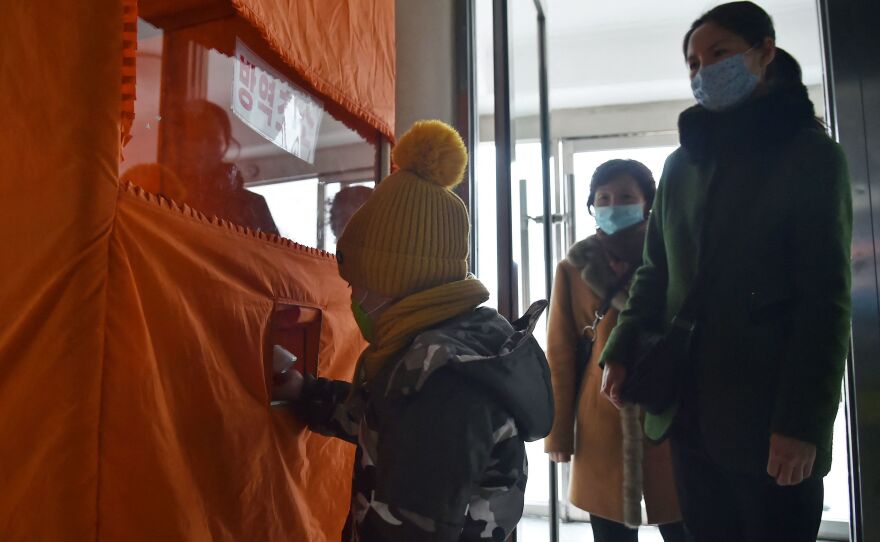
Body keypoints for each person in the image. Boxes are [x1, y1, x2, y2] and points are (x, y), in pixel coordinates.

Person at [599, 3, 852, 541]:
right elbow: (655, 272)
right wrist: (620, 349)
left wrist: (801, 426)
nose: (702, 71)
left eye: (718, 54)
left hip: (770, 419)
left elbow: (824, 304)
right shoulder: (681, 166)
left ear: (764, 53)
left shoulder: (811, 156)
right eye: (692, 63)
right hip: (689, 414)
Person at [272, 120, 554, 541]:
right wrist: (307, 393)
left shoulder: (443, 385)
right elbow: (380, 418)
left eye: (357, 285)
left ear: (395, 284)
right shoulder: (450, 347)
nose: (353, 300)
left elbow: (413, 529)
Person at [544, 160, 684, 542]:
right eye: (603, 198)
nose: (612, 205)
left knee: (683, 522)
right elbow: (559, 353)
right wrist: (558, 434)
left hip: (668, 409)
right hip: (600, 417)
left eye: (625, 196)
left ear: (647, 203)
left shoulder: (673, 256)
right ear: (591, 205)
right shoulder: (574, 265)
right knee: (610, 531)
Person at [163, 99, 279, 235]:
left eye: (212, 139)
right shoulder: (160, 191)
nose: (202, 148)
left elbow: (270, 254)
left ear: (226, 145)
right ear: (179, 144)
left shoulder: (254, 206)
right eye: (195, 138)